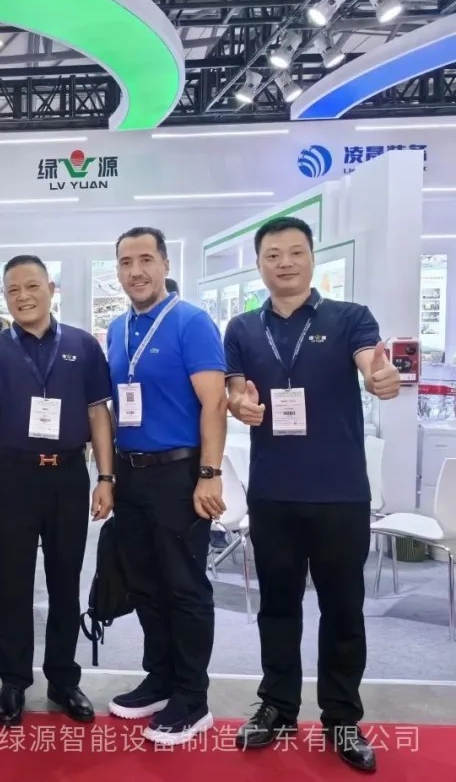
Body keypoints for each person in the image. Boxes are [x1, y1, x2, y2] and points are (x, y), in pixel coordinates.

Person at [225, 217, 400, 773]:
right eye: (272, 254)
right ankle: (277, 705)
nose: (285, 262)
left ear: (312, 258)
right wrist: (238, 404)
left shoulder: (349, 318)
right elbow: (236, 389)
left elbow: (371, 362)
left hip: (339, 492)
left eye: (295, 252)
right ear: (259, 264)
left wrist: (380, 377)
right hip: (272, 492)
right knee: (278, 607)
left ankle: (342, 716)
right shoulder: (242, 327)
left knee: (342, 608)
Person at [0, 254, 115, 728]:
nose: (23, 297)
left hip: (69, 476)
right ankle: (12, 681)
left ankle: (63, 679)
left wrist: (106, 477)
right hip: (14, 475)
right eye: (13, 290)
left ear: (51, 289)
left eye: (32, 286)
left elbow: (98, 412)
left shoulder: (83, 345)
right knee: (12, 581)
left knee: (65, 580)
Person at [105, 227, 227, 746]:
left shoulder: (191, 322)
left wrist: (209, 473)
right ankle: (159, 678)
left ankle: (192, 696)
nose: (136, 271)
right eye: (125, 262)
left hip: (180, 473)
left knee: (184, 585)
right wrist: (109, 475)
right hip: (131, 473)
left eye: (146, 260)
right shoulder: (117, 329)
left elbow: (215, 402)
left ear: (165, 264)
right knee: (145, 583)